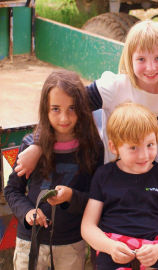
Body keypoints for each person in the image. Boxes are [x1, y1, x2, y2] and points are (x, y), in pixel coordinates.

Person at [14, 19, 158, 174]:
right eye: (141, 59)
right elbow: (65, 104)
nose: (150, 67)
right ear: (130, 59)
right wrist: (38, 145)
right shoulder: (114, 87)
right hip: (114, 184)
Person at [4, 70, 104, 270]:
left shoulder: (92, 148)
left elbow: (96, 200)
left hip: (71, 245)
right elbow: (12, 190)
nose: (64, 118)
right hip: (30, 244)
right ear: (45, 109)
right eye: (56, 109)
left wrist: (70, 197)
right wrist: (27, 212)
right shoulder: (30, 146)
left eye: (72, 108)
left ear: (83, 109)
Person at [81, 102, 158, 270]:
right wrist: (110, 247)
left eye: (150, 144)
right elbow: (88, 227)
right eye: (133, 147)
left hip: (155, 259)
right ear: (114, 147)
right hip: (112, 259)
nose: (144, 155)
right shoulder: (103, 176)